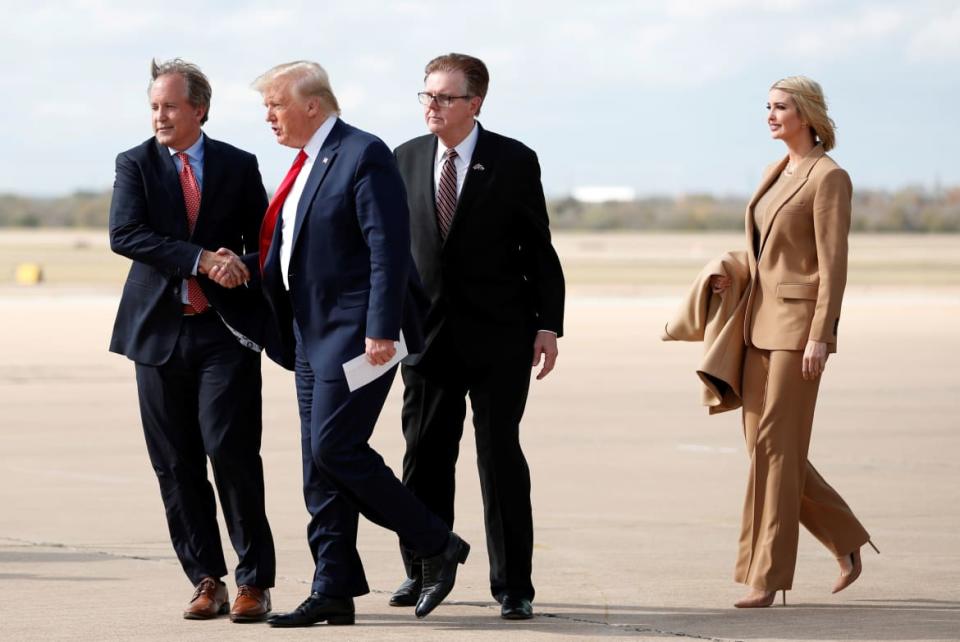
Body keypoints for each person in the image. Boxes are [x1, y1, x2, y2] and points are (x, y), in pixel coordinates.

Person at [251, 60, 469, 627]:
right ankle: (333, 586)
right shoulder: (301, 166)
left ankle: (436, 542)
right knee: (316, 466)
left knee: (335, 448)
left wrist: (380, 327)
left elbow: (387, 248)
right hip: (308, 333)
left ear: (312, 106)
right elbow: (299, 250)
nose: (267, 116)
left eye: (275, 104)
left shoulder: (361, 153)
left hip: (356, 335)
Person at [391, 53, 565, 620]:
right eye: (426, 96)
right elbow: (388, 253)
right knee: (423, 459)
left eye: (443, 98)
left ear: (475, 103)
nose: (432, 107)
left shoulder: (513, 160)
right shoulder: (404, 159)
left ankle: (514, 585)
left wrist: (547, 323)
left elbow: (538, 248)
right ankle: (421, 569)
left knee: (499, 460)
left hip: (499, 338)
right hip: (424, 339)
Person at [108, 58, 275, 622]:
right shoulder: (134, 164)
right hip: (157, 333)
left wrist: (240, 265)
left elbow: (267, 244)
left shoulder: (237, 163)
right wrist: (200, 260)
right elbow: (125, 234)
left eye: (171, 106)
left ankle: (254, 580)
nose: (160, 115)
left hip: (224, 332)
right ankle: (207, 580)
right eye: (155, 106)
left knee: (231, 452)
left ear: (199, 109)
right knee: (176, 464)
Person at [710, 76, 877, 608]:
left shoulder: (829, 178)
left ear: (805, 114)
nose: (770, 115)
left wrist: (821, 335)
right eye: (767, 106)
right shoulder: (775, 171)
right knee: (766, 448)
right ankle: (846, 539)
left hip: (797, 332)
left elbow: (833, 266)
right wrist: (732, 274)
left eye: (780, 107)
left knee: (776, 452)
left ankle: (769, 575)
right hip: (756, 324)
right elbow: (766, 254)